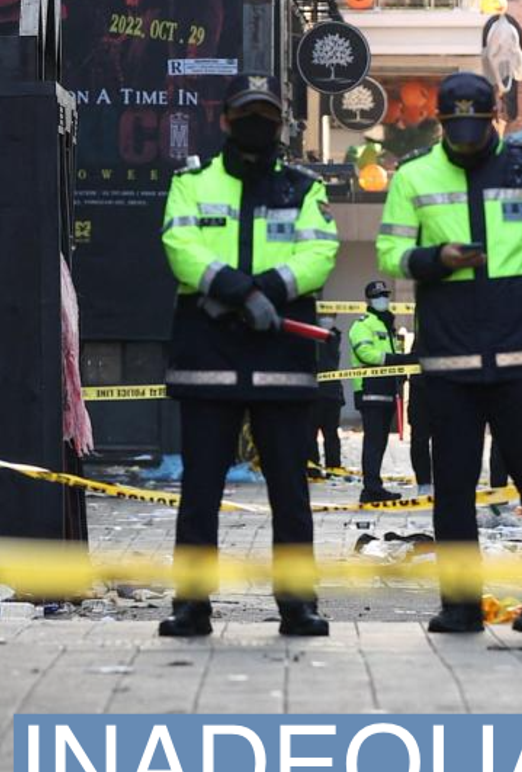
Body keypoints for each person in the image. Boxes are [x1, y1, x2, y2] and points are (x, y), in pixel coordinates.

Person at [376, 72, 522, 634]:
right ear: (440, 123)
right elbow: (390, 252)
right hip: (450, 359)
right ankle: (460, 604)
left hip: (518, 354)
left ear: (494, 118)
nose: (466, 136)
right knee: (454, 488)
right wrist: (435, 259)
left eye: (477, 124)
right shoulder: (415, 176)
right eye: (455, 125)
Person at [158, 75, 340, 638]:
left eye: (268, 115)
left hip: (279, 356)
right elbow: (178, 245)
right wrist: (239, 291)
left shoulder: (303, 188)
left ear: (280, 124)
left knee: (290, 488)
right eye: (248, 114)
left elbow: (321, 251)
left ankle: (297, 604)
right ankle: (191, 605)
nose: (258, 125)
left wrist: (268, 290)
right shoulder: (191, 183)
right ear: (225, 121)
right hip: (208, 353)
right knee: (201, 491)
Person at [348, 281, 403, 505]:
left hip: (387, 388)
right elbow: (365, 353)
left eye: (385, 295)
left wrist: (401, 365)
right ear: (369, 300)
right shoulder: (363, 324)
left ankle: (375, 486)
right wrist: (395, 360)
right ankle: (370, 488)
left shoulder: (387, 324)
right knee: (373, 441)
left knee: (379, 442)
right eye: (378, 296)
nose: (383, 299)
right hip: (370, 388)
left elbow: (394, 351)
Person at [306, 315, 344, 475]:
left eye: (331, 316)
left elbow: (329, 355)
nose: (327, 319)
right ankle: (313, 468)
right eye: (324, 316)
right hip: (314, 393)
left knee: (331, 434)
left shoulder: (334, 337)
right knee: (310, 433)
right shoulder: (310, 335)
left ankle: (333, 468)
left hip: (331, 393)